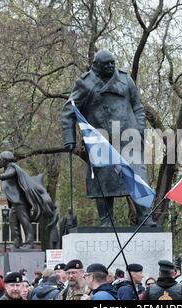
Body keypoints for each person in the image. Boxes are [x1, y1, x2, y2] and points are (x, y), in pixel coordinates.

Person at [61, 49, 156, 227]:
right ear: (96, 66)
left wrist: (140, 130)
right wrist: (69, 138)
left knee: (137, 175)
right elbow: (69, 110)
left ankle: (145, 217)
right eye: (107, 64)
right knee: (103, 181)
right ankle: (107, 221)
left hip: (129, 138)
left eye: (113, 62)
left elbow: (137, 107)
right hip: (101, 139)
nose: (111, 66)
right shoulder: (85, 84)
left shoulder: (126, 79)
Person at [0, 151, 58, 249]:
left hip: (20, 202)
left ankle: (29, 243)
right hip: (14, 202)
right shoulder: (7, 168)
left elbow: (11, 174)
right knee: (13, 222)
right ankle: (17, 242)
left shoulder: (12, 167)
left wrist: (0, 177)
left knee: (25, 221)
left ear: (5, 159)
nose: (0, 161)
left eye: (1, 159)